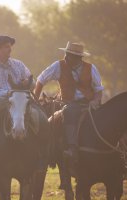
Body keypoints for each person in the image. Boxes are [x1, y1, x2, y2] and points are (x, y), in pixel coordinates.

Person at [33, 41, 104, 176]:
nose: (67, 57)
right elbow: (41, 79)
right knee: (70, 111)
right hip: (69, 103)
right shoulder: (58, 66)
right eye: (67, 53)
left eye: (71, 55)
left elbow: (98, 89)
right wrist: (35, 99)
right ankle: (72, 147)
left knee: (107, 117)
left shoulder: (91, 68)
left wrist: (95, 101)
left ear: (79, 58)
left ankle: (120, 153)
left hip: (89, 103)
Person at [0, 35, 32, 159]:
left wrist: (28, 82)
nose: (10, 49)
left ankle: (43, 144)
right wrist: (10, 93)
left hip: (21, 98)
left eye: (10, 47)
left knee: (39, 110)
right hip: (2, 100)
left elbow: (32, 79)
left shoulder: (19, 64)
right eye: (6, 47)